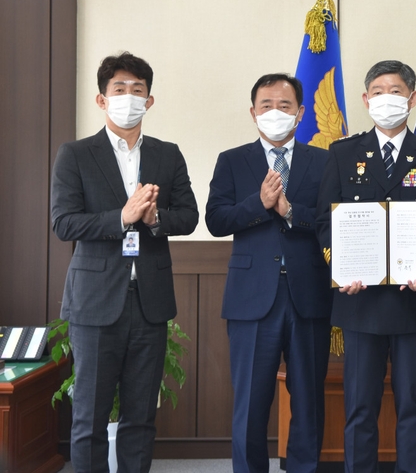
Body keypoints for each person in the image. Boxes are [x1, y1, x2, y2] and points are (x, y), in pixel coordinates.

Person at [50, 52, 199, 473]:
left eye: (138, 90)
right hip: (95, 304)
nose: (129, 97)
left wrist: (155, 219)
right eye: (119, 89)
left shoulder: (167, 154)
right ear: (102, 99)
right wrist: (122, 217)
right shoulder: (75, 154)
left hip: (149, 303)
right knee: (89, 418)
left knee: (140, 417)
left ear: (149, 101)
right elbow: (63, 222)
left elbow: (189, 216)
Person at [315, 60, 416, 473]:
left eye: (395, 91)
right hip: (360, 304)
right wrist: (341, 267)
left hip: (413, 304)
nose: (386, 100)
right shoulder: (343, 154)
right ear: (365, 100)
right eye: (377, 92)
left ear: (412, 99)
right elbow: (326, 222)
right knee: (360, 409)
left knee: (413, 408)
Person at [206, 73, 331, 473]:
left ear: (300, 113)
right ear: (253, 113)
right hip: (250, 298)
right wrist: (259, 204)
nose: (275, 113)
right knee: (250, 403)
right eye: (266, 106)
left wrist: (290, 211)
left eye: (284, 105)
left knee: (309, 400)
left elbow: (333, 222)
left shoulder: (325, 161)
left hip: (308, 295)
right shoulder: (232, 160)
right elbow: (216, 220)